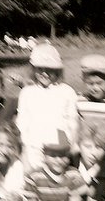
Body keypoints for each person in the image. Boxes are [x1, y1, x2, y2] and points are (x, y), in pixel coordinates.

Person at [16, 43, 78, 173]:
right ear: (33, 69)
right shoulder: (27, 92)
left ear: (57, 70)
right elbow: (22, 123)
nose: (45, 73)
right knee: (35, 183)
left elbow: (73, 122)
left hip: (59, 151)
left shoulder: (66, 91)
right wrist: (24, 153)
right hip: (34, 148)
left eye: (50, 69)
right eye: (40, 69)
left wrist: (71, 147)